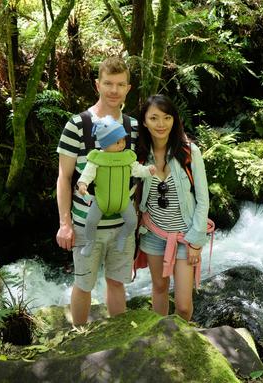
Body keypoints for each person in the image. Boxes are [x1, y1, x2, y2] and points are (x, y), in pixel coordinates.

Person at [56, 57, 136, 325]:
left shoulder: (134, 127)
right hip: (85, 226)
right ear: (97, 85)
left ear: (128, 88)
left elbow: (139, 173)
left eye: (120, 84)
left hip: (122, 226)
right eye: (108, 84)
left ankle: (119, 340)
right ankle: (78, 341)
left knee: (116, 283)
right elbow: (64, 177)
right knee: (84, 285)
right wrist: (64, 224)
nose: (114, 90)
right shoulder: (77, 125)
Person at [135, 94, 210, 321]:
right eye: (154, 118)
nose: (161, 124)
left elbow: (203, 199)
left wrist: (196, 240)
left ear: (175, 120)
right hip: (153, 234)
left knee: (184, 306)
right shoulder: (139, 155)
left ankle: (182, 345)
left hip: (184, 238)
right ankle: (162, 342)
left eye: (167, 118)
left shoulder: (189, 152)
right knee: (159, 288)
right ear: (145, 122)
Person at [77, 115, 156, 256]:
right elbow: (87, 174)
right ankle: (90, 242)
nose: (122, 144)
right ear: (104, 143)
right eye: (117, 142)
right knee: (90, 222)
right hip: (101, 201)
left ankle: (123, 236)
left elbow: (137, 170)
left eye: (123, 140)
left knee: (132, 222)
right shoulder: (96, 159)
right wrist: (82, 184)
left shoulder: (127, 157)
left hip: (123, 201)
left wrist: (148, 170)